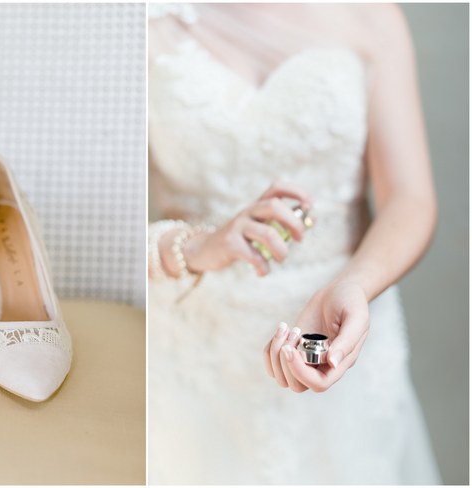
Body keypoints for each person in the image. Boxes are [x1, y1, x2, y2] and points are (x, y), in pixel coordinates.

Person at [148, 3, 441, 484]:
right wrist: (198, 246)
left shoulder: (371, 16)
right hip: (196, 360)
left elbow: (410, 199)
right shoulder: (143, 20)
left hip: (342, 333)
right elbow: (103, 216)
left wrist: (353, 286)